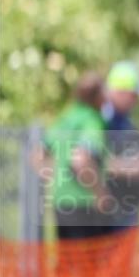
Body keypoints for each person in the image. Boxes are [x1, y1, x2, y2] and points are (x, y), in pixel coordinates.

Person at [42, 72, 113, 239]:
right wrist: (100, 193)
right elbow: (81, 159)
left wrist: (56, 176)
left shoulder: (66, 117)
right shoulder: (92, 120)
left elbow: (38, 154)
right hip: (84, 204)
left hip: (60, 200)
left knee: (67, 260)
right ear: (98, 96)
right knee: (89, 262)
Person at [101, 60, 139, 231]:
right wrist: (130, 167)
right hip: (105, 215)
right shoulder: (101, 120)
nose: (136, 101)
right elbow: (94, 161)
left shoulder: (125, 122)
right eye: (133, 95)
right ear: (120, 92)